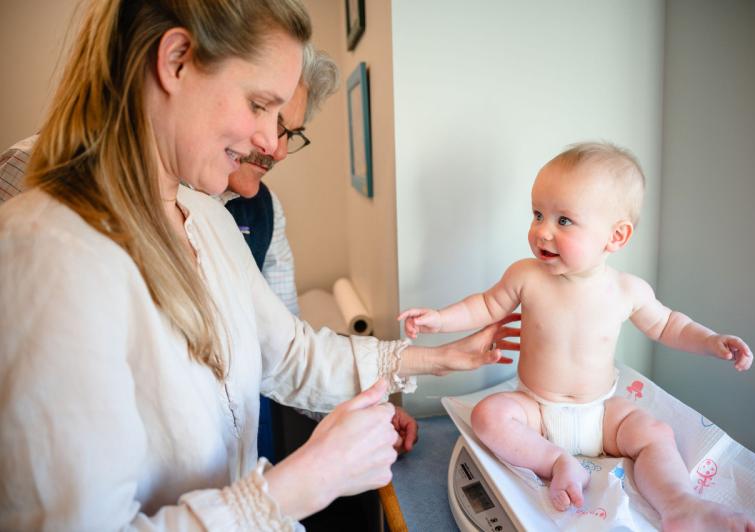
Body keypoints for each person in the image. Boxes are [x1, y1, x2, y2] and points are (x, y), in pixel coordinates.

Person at [0, 1, 518, 530]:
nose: (272, 143)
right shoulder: (43, 250)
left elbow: (289, 354)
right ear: (175, 60)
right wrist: (306, 481)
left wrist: (442, 358)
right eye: (259, 105)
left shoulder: (204, 216)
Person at [0, 46, 419, 463]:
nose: (277, 149)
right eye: (266, 114)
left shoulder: (259, 213)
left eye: (290, 132)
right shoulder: (32, 183)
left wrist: (367, 407)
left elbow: (288, 352)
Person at [399, 142, 755, 531]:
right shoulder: (526, 275)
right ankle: (555, 461)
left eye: (563, 221)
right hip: (536, 409)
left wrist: (710, 341)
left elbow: (670, 325)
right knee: (489, 415)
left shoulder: (627, 290)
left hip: (602, 414)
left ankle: (680, 504)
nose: (542, 232)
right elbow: (485, 306)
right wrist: (439, 318)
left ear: (616, 237)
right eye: (537, 215)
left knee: (656, 434)